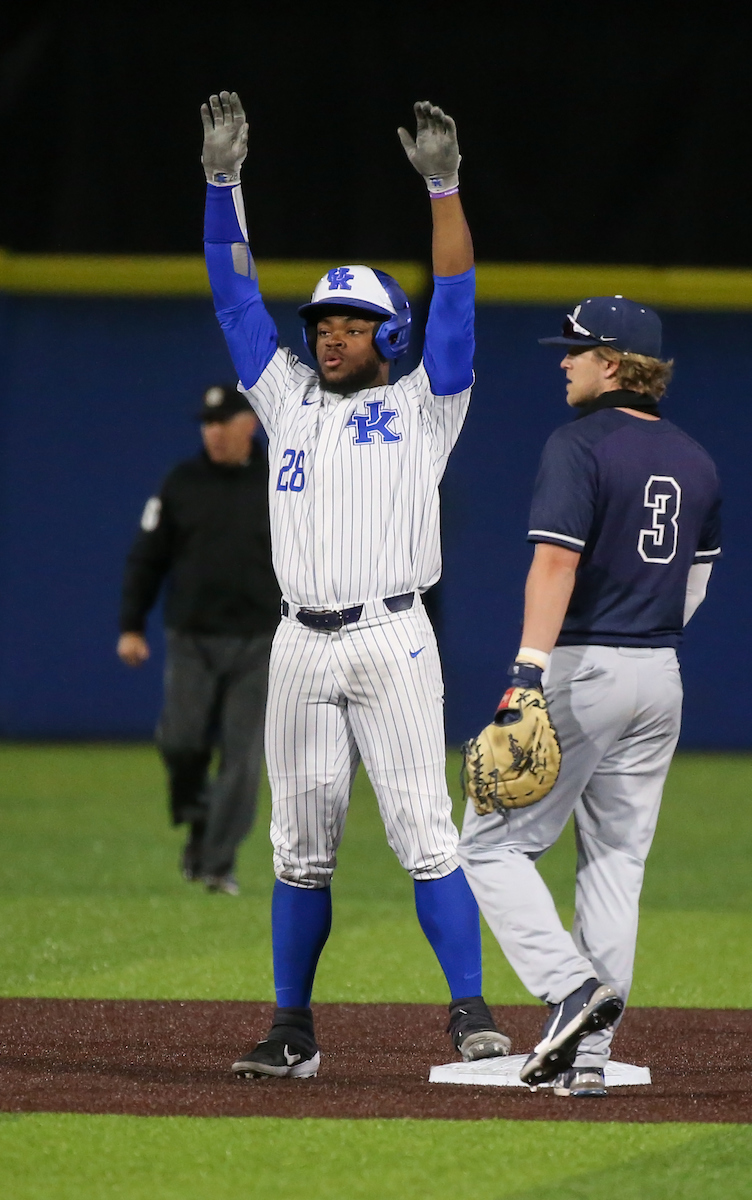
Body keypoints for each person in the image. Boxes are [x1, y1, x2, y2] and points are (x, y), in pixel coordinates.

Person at [199, 90, 511, 1079]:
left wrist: (444, 189)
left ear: (391, 334)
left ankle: (470, 1014)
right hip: (298, 642)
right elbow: (235, 300)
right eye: (324, 321)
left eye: (352, 321)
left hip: (390, 637)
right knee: (299, 848)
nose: (330, 333)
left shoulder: (427, 404)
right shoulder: (285, 399)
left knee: (426, 834)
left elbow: (455, 295)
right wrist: (221, 183)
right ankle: (291, 1029)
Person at [459, 296, 721, 1097]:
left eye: (575, 350)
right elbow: (694, 588)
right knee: (615, 862)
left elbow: (555, 564)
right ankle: (589, 1058)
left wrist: (527, 673)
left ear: (612, 363)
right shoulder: (698, 460)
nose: (563, 361)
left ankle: (571, 991)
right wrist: (645, 641)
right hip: (660, 673)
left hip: (584, 667)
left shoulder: (578, 443)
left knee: (488, 845)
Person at [117, 384, 280, 894]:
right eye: (207, 423)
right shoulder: (181, 482)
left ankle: (216, 862)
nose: (212, 432)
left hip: (259, 641)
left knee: (241, 759)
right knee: (180, 740)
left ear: (250, 423)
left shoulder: (281, 480)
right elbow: (147, 557)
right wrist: (131, 625)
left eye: (222, 421)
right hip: (192, 637)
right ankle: (196, 813)